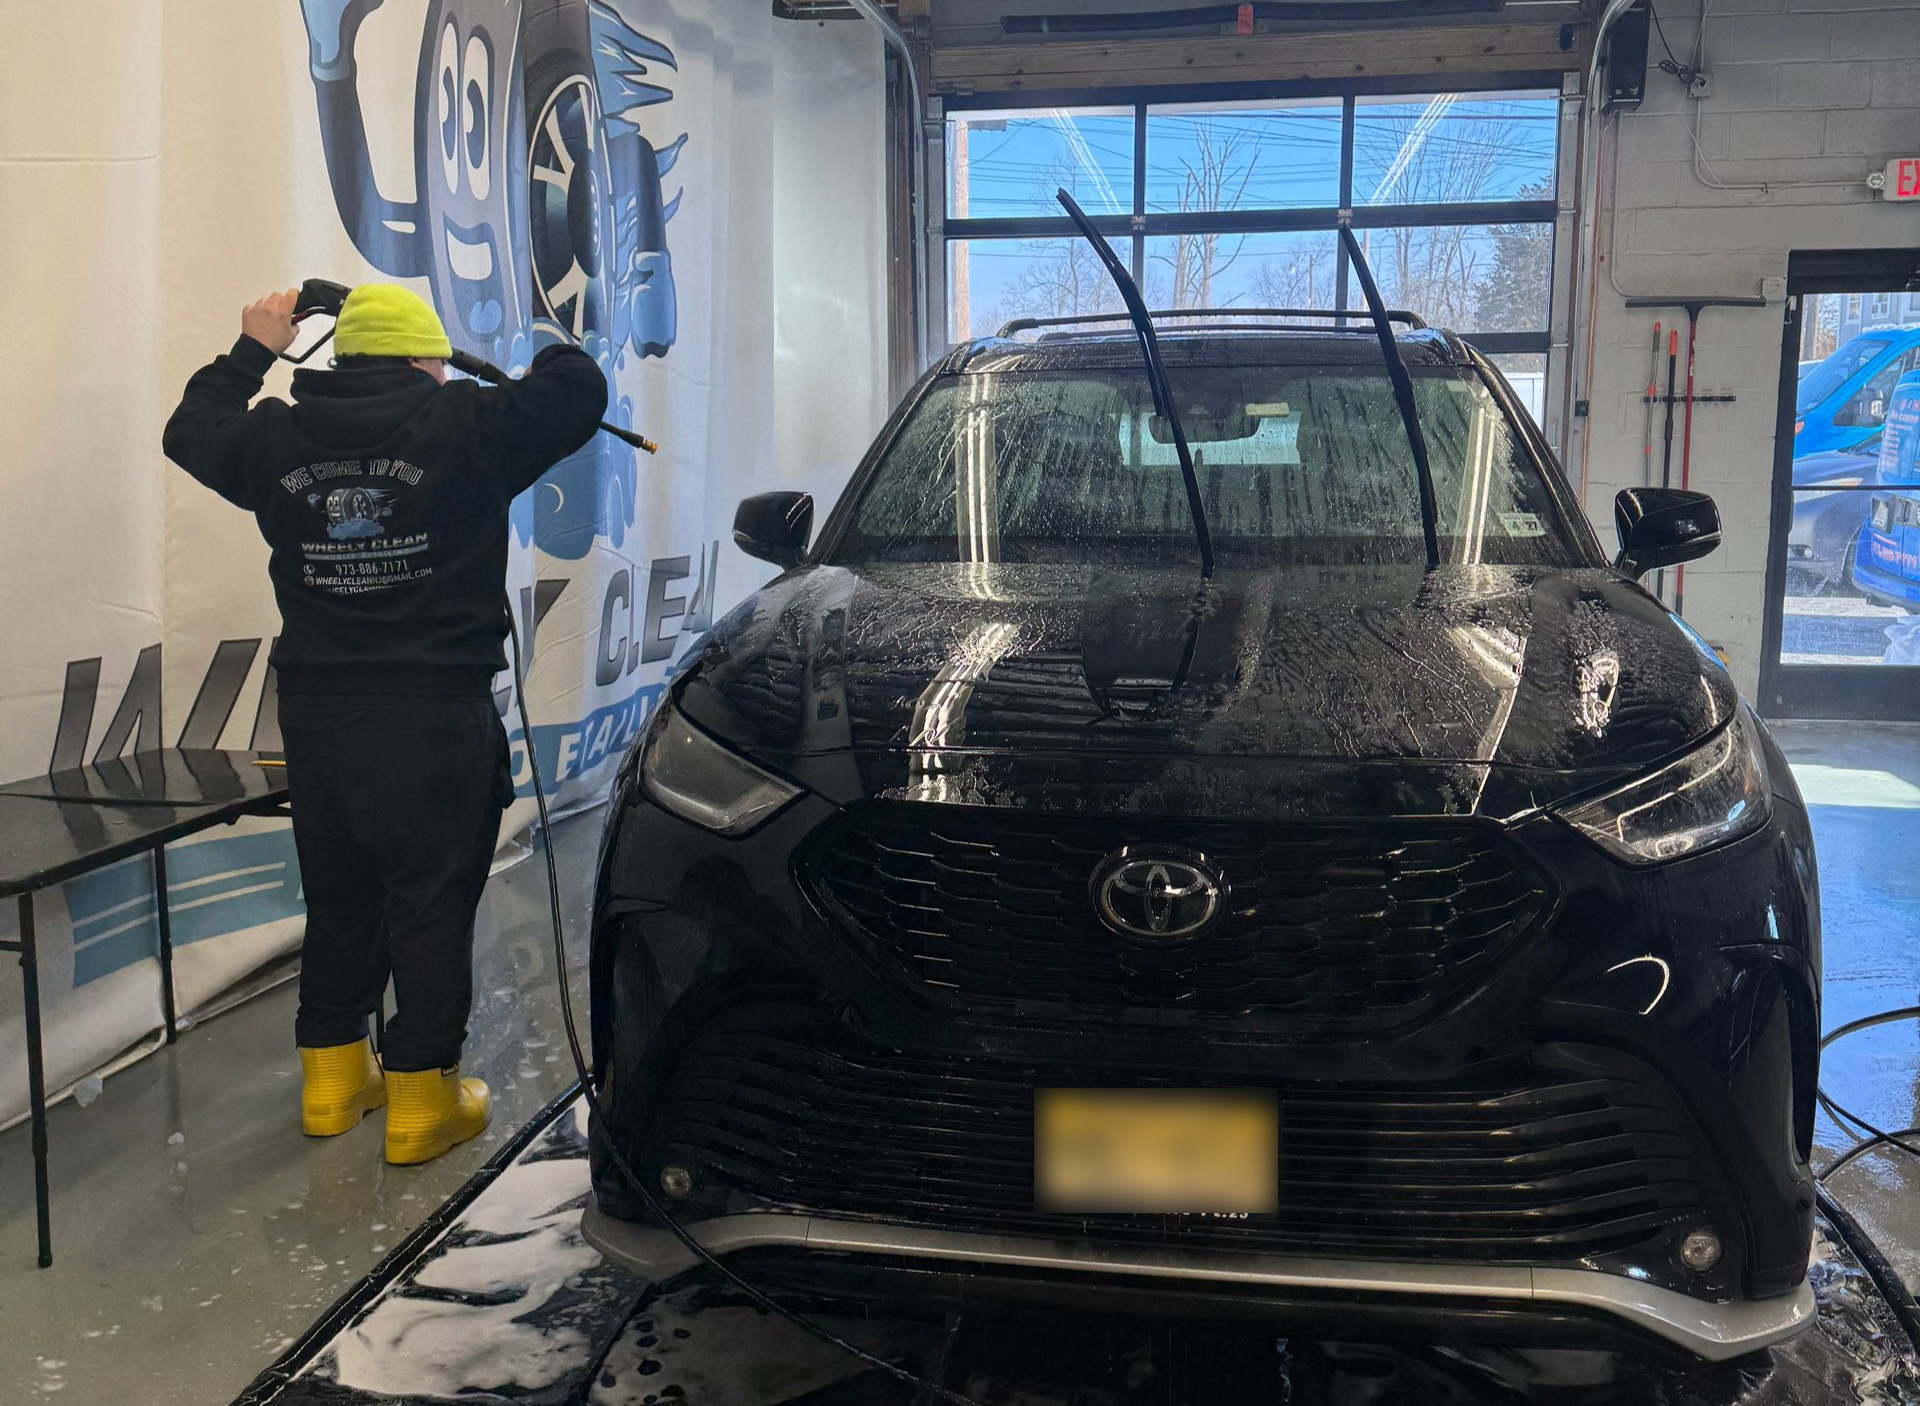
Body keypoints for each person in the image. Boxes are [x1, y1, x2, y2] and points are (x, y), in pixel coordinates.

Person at [163, 285, 607, 1164]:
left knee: (341, 899)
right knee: (431, 906)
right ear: (422, 360)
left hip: (320, 721)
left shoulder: (275, 436)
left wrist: (254, 347)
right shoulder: (468, 425)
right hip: (434, 714)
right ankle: (419, 1102)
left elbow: (189, 430)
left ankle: (332, 1085)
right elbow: (577, 388)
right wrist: (537, 343)